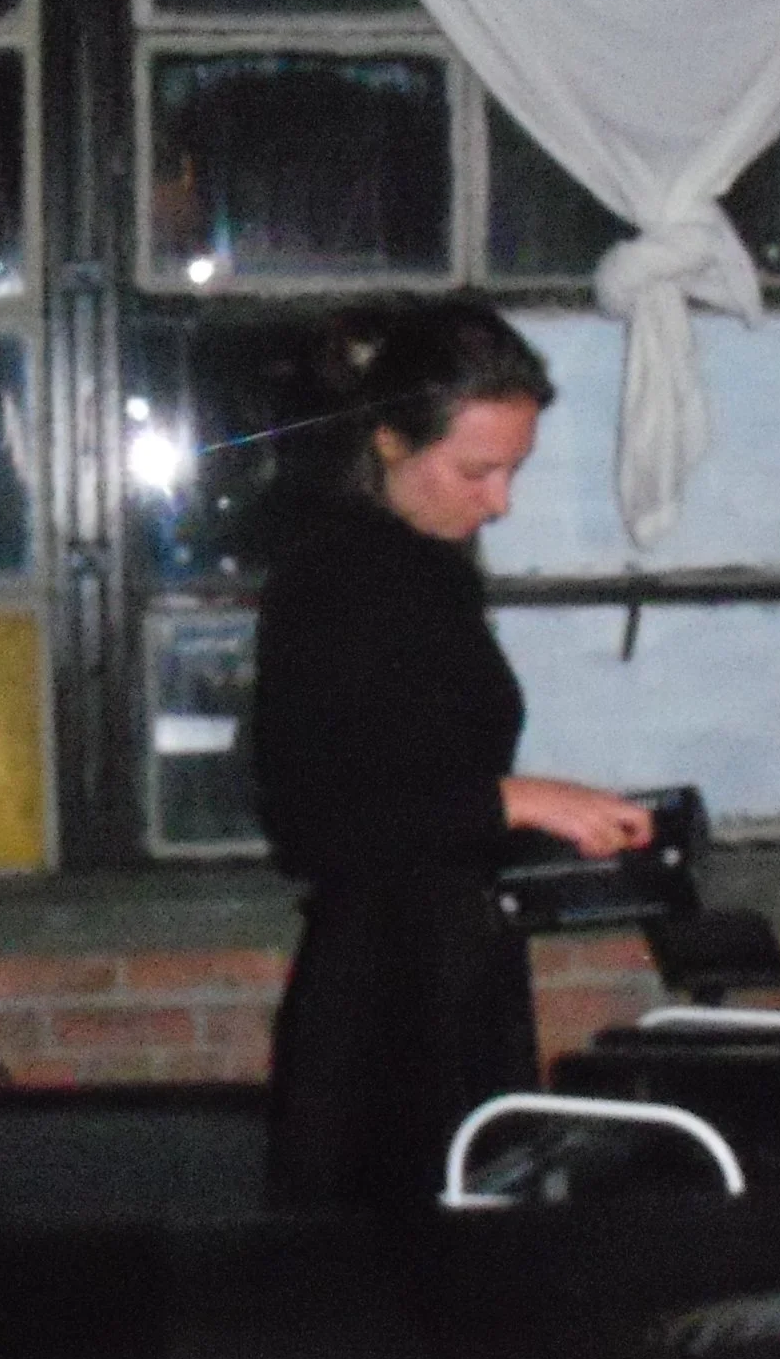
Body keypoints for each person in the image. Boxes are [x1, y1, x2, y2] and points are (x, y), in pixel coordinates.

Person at [251, 296, 652, 1212]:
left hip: (454, 976)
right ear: (390, 440)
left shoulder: (427, 559)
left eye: (514, 471)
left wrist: (555, 830)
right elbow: (312, 825)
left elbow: (426, 781)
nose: (499, 501)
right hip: (382, 1010)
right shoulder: (330, 576)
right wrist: (513, 802)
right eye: (477, 470)